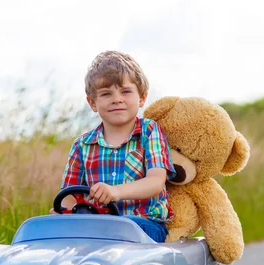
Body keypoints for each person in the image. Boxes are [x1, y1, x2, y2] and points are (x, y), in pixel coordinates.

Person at [51, 50, 176, 242]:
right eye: (106, 94)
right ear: (92, 103)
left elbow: (155, 182)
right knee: (56, 229)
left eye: (125, 91)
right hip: (98, 228)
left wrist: (115, 192)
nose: (117, 99)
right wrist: (63, 215)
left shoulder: (150, 132)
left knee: (122, 229)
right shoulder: (82, 145)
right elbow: (69, 195)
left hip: (145, 226)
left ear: (141, 97)